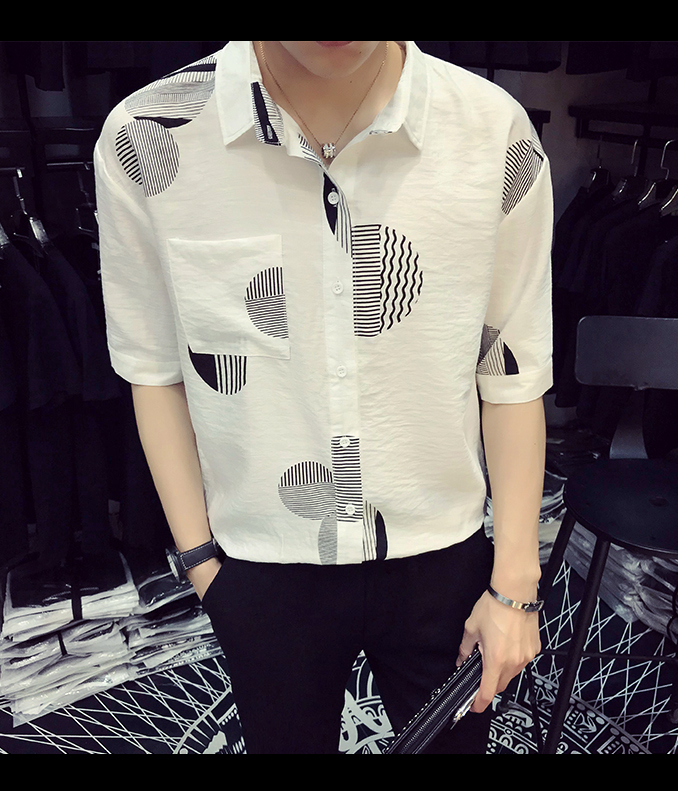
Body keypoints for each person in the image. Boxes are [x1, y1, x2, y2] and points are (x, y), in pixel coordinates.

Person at [94, 41, 553, 754]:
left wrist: (515, 586)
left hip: (442, 558)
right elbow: (153, 368)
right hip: (261, 563)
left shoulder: (492, 131)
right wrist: (203, 564)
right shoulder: (148, 137)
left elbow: (511, 370)